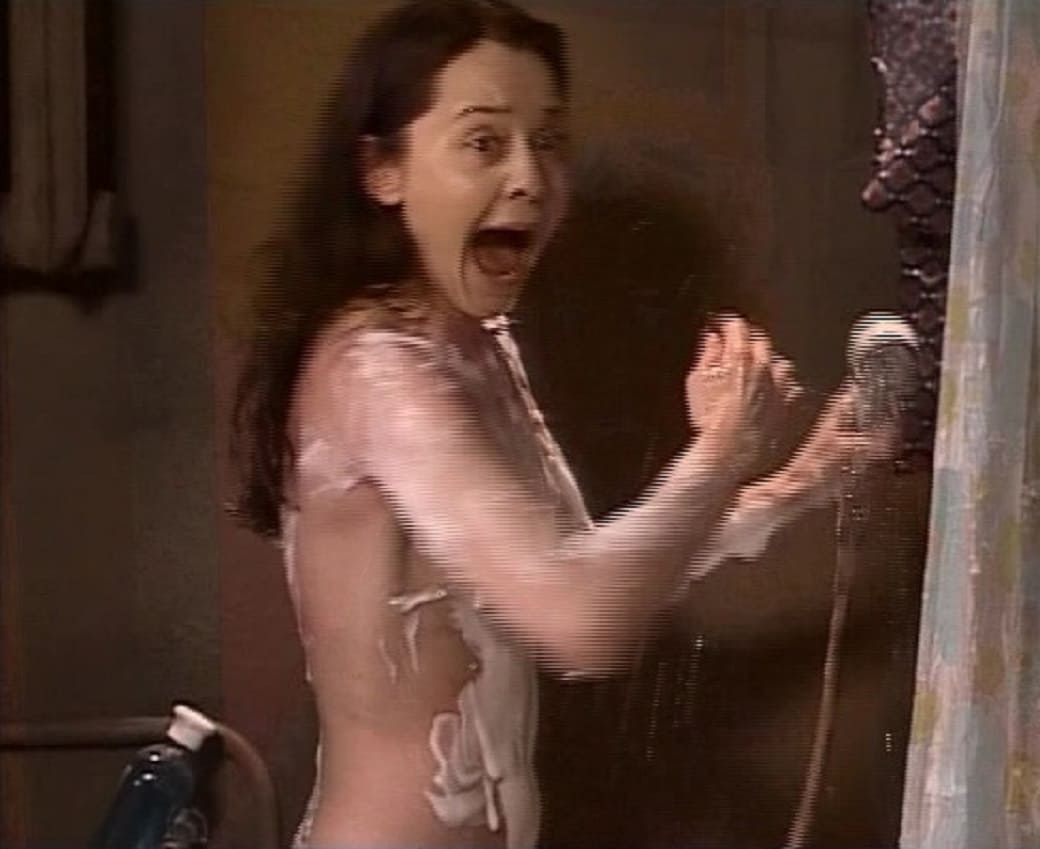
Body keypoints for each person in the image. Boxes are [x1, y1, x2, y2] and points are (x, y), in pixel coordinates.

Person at [231, 2, 889, 846]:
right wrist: (720, 456)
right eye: (483, 142)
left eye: (547, 141)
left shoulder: (479, 350)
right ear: (383, 170)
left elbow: (593, 572)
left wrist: (805, 478)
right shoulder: (374, 372)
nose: (530, 179)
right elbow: (583, 623)